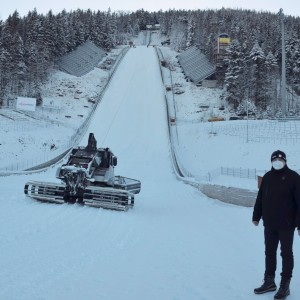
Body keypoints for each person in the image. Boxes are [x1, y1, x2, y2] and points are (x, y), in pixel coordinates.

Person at [252, 150, 300, 300]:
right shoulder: (267, 177)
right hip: (270, 224)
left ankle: (285, 285)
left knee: (286, 254)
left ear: (285, 161)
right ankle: (269, 281)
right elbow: (260, 198)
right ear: (271, 161)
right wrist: (256, 216)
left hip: (287, 224)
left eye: (280, 159)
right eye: (275, 159)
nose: (278, 161)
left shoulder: (294, 178)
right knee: (269, 252)